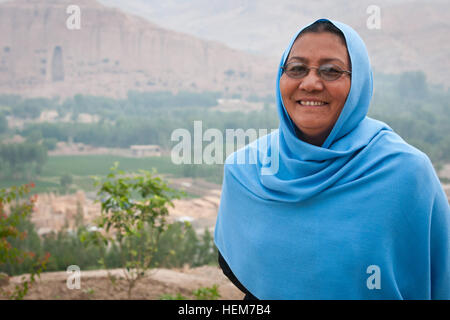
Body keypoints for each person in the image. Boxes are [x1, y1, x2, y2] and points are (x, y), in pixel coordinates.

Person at [214, 18, 450, 300]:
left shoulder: (405, 173)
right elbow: (238, 268)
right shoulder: (245, 169)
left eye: (331, 71)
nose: (311, 83)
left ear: (359, 82)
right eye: (297, 68)